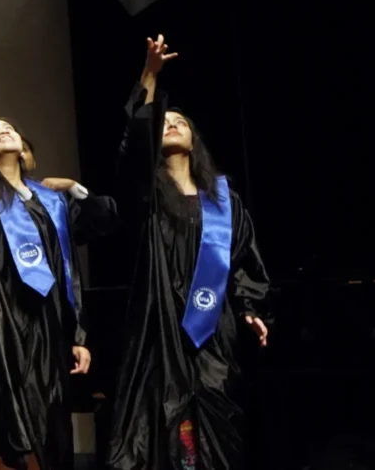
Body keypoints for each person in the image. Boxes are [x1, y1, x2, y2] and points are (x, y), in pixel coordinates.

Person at [0, 0, 120, 470]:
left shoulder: (51, 204)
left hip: (48, 325)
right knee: (8, 427)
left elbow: (74, 265)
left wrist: (78, 335)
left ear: (26, 148)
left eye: (9, 129)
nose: (0, 131)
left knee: (52, 426)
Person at [102, 36, 272, 470]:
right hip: (161, 323)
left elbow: (241, 260)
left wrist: (249, 306)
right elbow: (132, 144)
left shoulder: (224, 201)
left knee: (218, 420)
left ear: (196, 140)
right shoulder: (146, 195)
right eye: (165, 121)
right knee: (171, 427)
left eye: (181, 121)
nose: (173, 124)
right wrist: (150, 75)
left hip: (214, 330)